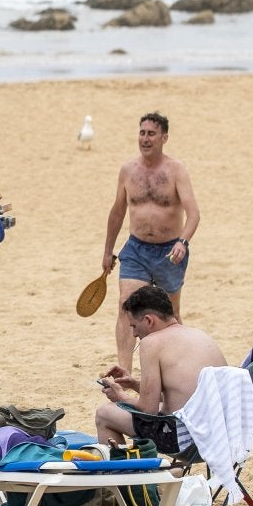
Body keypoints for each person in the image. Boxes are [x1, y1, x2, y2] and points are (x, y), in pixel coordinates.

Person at [100, 112, 200, 374]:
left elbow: (193, 214)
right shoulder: (128, 170)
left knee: (171, 315)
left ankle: (178, 370)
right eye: (142, 133)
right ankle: (125, 372)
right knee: (126, 305)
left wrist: (183, 242)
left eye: (151, 134)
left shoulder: (176, 170)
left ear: (164, 138)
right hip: (136, 249)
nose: (145, 138)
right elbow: (118, 212)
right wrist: (108, 250)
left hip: (170, 252)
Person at [92, 285, 227, 452]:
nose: (134, 334)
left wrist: (120, 397)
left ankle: (127, 473)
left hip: (187, 439)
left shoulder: (151, 343)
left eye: (134, 326)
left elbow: (149, 410)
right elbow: (181, 394)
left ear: (149, 320)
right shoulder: (199, 335)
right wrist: (135, 384)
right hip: (224, 433)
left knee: (104, 414)